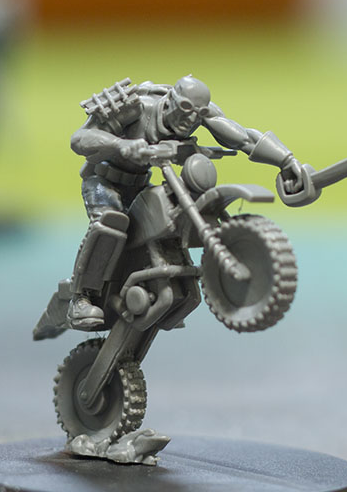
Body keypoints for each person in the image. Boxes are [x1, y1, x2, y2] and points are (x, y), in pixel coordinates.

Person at [63, 74, 306, 329]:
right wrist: (120, 145)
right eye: (185, 109)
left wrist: (286, 161)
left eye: (198, 114)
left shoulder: (201, 113)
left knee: (165, 219)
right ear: (170, 101)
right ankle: (80, 298)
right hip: (104, 181)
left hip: (139, 183)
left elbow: (244, 138)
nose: (190, 119)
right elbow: (80, 138)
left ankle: (157, 290)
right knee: (111, 224)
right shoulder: (136, 107)